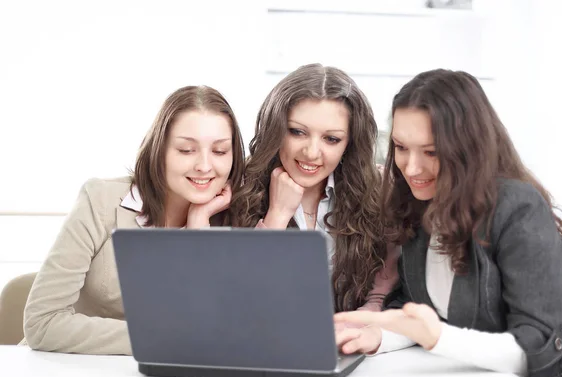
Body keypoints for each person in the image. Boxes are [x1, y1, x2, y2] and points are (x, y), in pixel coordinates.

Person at [334, 69, 562, 377]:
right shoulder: (417, 202)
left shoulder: (517, 208)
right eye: (401, 147)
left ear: (467, 148)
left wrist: (437, 338)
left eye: (430, 151)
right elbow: (418, 307)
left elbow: (538, 347)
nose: (411, 167)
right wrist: (378, 338)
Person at [23, 85, 245, 355]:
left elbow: (213, 332)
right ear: (159, 149)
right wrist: (157, 337)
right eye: (186, 150)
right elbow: (42, 323)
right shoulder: (101, 200)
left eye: (220, 151)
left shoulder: (233, 223)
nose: (204, 166)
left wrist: (196, 232)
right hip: (62, 371)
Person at [230, 63, 388, 312]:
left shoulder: (374, 192)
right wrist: (278, 215)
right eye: (297, 132)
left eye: (331, 139)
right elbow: (237, 297)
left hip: (345, 345)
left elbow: (385, 291)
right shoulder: (236, 190)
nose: (312, 152)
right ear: (276, 129)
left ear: (349, 143)